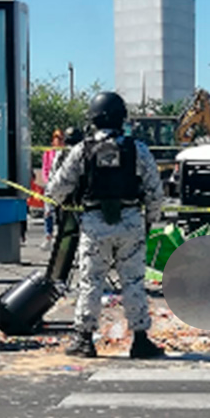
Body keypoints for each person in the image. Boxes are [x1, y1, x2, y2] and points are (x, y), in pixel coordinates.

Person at [46, 92, 166, 359]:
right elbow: (156, 194)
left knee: (91, 281)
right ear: (122, 118)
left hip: (94, 222)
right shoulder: (138, 149)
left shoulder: (82, 149)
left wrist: (68, 201)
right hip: (130, 220)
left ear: (94, 119)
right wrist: (148, 219)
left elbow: (55, 190)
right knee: (133, 281)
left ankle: (84, 339)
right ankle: (141, 340)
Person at [39, 129, 65, 249]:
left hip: (63, 186)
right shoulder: (48, 153)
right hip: (50, 186)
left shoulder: (67, 153)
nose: (59, 141)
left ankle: (61, 237)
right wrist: (47, 182)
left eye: (61, 138)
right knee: (48, 212)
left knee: (62, 213)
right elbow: (45, 169)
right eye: (57, 138)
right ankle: (48, 236)